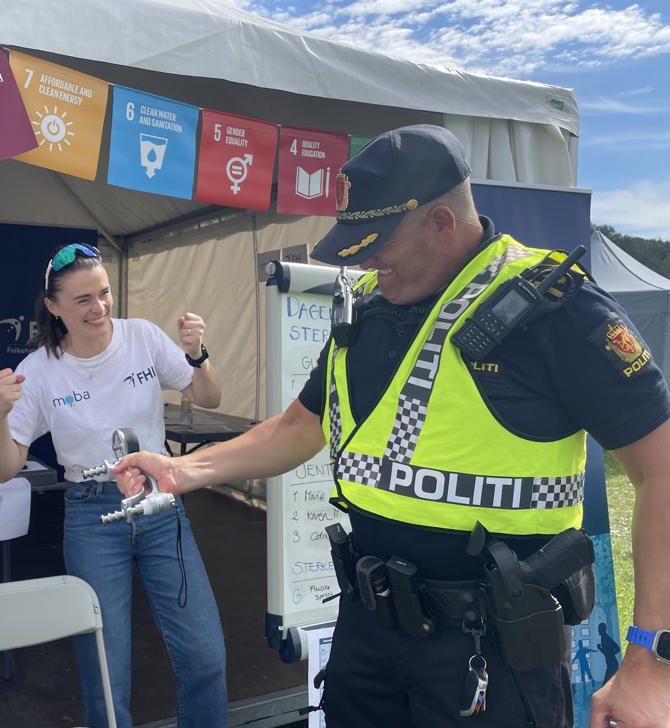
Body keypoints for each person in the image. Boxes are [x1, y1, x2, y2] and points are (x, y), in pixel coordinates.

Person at [113, 124, 670, 727]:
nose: (365, 261)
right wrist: (180, 469)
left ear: (441, 222)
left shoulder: (554, 309)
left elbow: (662, 472)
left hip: (493, 650)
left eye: (378, 241)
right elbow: (300, 426)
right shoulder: (370, 309)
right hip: (369, 635)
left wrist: (650, 660)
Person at [0, 242, 227, 728]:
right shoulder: (38, 370)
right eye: (82, 300)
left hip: (160, 507)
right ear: (53, 307)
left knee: (205, 658)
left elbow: (209, 397)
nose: (99, 308)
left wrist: (197, 355)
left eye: (104, 293)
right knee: (105, 673)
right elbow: (4, 467)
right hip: (93, 517)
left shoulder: (143, 338)